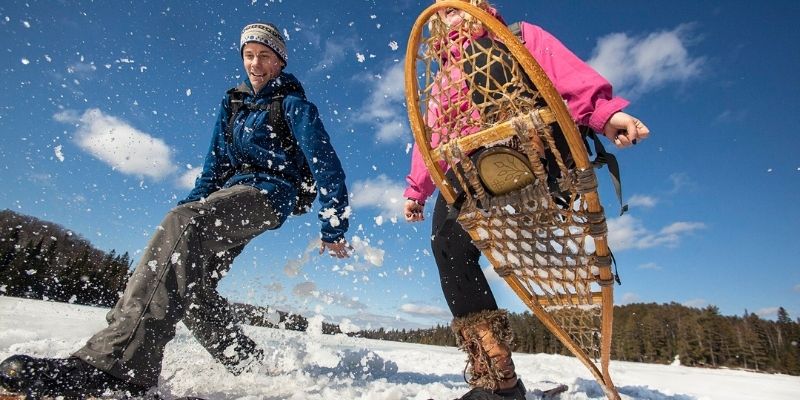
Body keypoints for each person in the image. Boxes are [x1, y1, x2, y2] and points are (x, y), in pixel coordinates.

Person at [0, 22, 352, 398]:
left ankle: (120, 364)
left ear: (280, 61)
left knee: (185, 226)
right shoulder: (232, 103)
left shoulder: (294, 105)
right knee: (189, 277)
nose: (255, 64)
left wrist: (334, 225)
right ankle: (247, 361)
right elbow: (213, 167)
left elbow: (326, 165)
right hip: (230, 193)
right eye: (249, 55)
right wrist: (188, 208)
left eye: (265, 56)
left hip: (268, 195)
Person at [403, 1, 650, 399]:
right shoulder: (441, 79)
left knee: (498, 73)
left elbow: (568, 77)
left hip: (540, 159)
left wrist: (605, 115)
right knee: (447, 241)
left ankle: (517, 156)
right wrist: (418, 190)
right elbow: (431, 137)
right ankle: (499, 379)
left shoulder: (517, 37)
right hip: (476, 173)